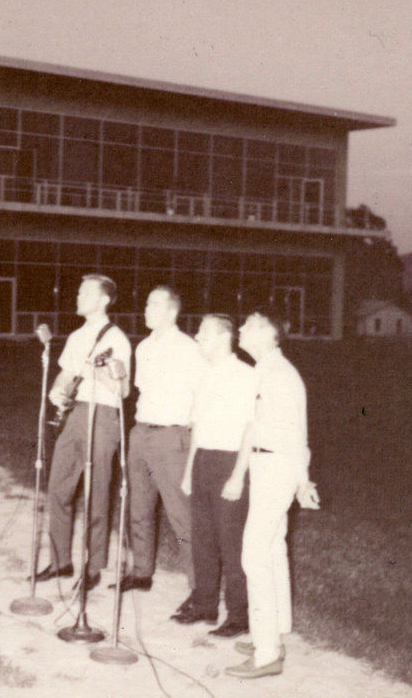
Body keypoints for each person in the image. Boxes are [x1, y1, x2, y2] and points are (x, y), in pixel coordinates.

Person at [223, 308, 320, 680]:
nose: (241, 330)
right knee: (273, 548)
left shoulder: (280, 375)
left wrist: (302, 481)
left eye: (247, 325)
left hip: (278, 466)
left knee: (255, 554)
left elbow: (296, 434)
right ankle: (272, 635)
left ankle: (266, 655)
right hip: (270, 466)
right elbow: (254, 426)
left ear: (268, 332)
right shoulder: (266, 370)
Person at [35, 274, 131, 591]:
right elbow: (67, 373)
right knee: (58, 487)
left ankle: (93, 566)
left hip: (102, 415)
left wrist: (100, 370)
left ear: (104, 299)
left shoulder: (116, 339)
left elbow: (123, 389)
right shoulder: (78, 336)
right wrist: (56, 393)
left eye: (85, 292)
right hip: (76, 414)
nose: (78, 296)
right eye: (78, 290)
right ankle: (61, 561)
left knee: (96, 492)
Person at [116, 286, 204, 614]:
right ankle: (141, 572)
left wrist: (191, 438)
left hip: (171, 438)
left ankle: (199, 589)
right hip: (141, 433)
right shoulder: (143, 347)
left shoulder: (188, 348)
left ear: (172, 311)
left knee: (181, 515)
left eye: (155, 304)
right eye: (147, 302)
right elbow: (141, 391)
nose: (146, 309)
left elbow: (202, 396)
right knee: (138, 507)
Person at [175, 314, 257, 636]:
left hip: (230, 461)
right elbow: (198, 426)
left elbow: (252, 428)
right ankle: (205, 606)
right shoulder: (205, 375)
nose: (197, 337)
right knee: (203, 540)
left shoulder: (246, 376)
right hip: (204, 461)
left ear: (224, 337)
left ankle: (239, 616)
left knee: (232, 544)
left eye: (203, 333)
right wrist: (188, 470)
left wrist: (238, 475)